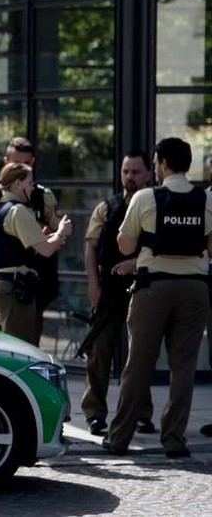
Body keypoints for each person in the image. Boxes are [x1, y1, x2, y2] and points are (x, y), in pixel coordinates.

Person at [104, 137, 212, 459]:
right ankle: (175, 439)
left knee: (138, 364)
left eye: (154, 162)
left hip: (153, 288)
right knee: (184, 367)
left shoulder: (146, 197)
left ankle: (120, 438)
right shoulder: (206, 199)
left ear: (162, 164)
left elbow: (124, 246)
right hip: (195, 288)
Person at [81, 151, 155, 436]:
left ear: (148, 173)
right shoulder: (107, 207)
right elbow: (90, 247)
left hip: (144, 288)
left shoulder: (155, 204)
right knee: (99, 353)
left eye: (136, 172)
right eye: (126, 171)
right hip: (109, 291)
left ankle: (141, 413)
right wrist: (93, 285)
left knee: (140, 355)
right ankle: (94, 413)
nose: (129, 177)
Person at [0, 137, 60, 346]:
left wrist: (41, 233)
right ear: (4, 162)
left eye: (24, 165)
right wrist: (15, 233)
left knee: (27, 340)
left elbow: (54, 230)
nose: (19, 169)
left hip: (34, 278)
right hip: (6, 280)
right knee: (15, 347)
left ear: (32, 164)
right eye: (14, 164)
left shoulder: (43, 195)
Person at [0, 162, 72, 345]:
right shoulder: (17, 210)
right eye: (30, 182)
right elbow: (46, 250)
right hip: (10, 290)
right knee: (18, 350)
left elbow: (3, 244)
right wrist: (61, 232)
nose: (32, 187)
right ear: (19, 184)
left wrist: (44, 238)